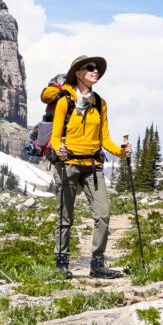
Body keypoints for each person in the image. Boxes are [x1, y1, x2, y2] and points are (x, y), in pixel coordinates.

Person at [49, 55, 131, 279]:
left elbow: (105, 139)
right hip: (68, 164)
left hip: (93, 166)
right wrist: (59, 149)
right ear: (78, 73)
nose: (96, 72)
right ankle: (61, 263)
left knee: (103, 214)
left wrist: (121, 152)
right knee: (65, 216)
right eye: (90, 68)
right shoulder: (65, 101)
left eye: (97, 69)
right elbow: (56, 136)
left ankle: (97, 264)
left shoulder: (100, 103)